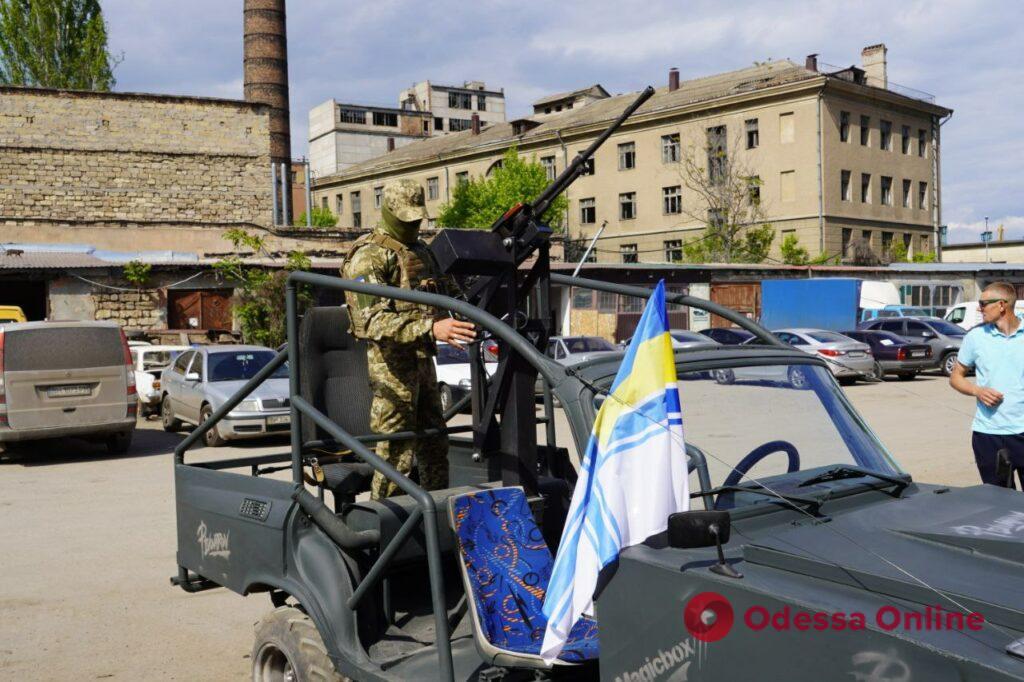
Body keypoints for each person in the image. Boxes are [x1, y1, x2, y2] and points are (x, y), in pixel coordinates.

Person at [341, 179, 475, 499]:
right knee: (394, 453)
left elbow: (448, 294)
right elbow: (369, 320)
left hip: (423, 364)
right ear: (388, 212)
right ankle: (383, 525)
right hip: (391, 368)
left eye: (417, 218)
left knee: (434, 446)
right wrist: (430, 330)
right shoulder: (366, 257)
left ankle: (435, 520)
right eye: (406, 219)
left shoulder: (422, 252)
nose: (413, 225)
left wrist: (468, 314)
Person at [950, 281, 1024, 487]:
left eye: (983, 304)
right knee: (999, 503)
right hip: (988, 436)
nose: (978, 308)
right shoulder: (975, 337)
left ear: (1002, 305)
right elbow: (956, 377)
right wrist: (977, 390)